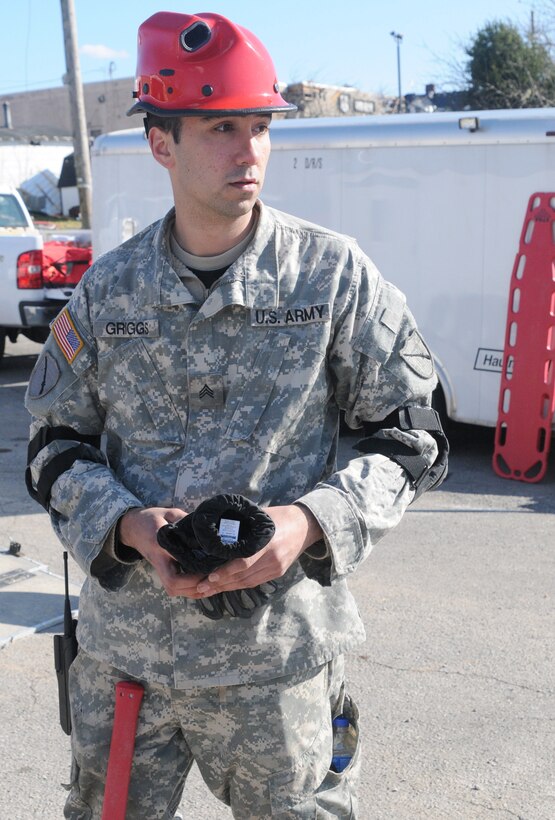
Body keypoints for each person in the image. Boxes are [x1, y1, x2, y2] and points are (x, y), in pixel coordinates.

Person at [25, 11, 448, 819]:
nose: (248, 149)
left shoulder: (330, 277)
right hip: (129, 668)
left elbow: (412, 437)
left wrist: (308, 522)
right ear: (161, 144)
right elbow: (53, 445)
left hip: (276, 662)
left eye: (258, 126)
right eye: (221, 127)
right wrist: (127, 525)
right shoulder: (109, 291)